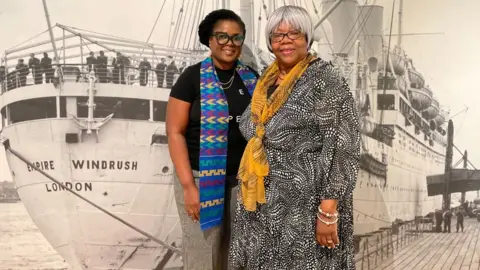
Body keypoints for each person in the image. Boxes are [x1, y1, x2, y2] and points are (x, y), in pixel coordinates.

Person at [229, 6, 360, 269]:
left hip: (304, 209)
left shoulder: (324, 79)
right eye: (277, 35)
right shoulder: (267, 81)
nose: (285, 40)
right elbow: (253, 129)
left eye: (294, 33)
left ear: (307, 38)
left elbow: (344, 147)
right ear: (270, 41)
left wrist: (328, 210)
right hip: (262, 208)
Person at [166, 9, 258, 270]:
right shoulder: (191, 79)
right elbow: (175, 132)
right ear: (209, 39)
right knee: (203, 255)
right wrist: (188, 187)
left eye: (236, 38)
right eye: (222, 36)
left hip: (241, 182)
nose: (229, 43)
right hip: (200, 178)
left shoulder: (251, 79)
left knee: (237, 256)